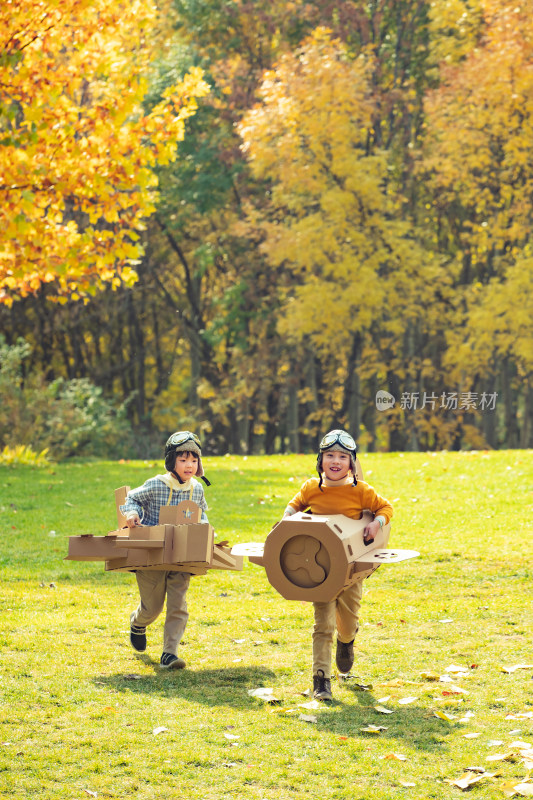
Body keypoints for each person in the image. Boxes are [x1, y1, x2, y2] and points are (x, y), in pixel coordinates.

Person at [283, 429, 393, 701]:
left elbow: (386, 509)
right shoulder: (311, 488)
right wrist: (285, 523)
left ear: (352, 463)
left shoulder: (361, 491)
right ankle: (321, 680)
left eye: (342, 456)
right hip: (320, 570)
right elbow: (293, 506)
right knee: (323, 625)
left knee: (347, 622)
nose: (336, 461)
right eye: (329, 455)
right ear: (320, 461)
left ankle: (347, 642)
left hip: (352, 569)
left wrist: (375, 523)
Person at [120, 430, 211, 670]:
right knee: (153, 607)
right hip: (153, 556)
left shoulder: (197, 489)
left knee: (178, 604)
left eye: (194, 460)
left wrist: (205, 530)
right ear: (172, 461)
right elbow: (130, 500)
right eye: (183, 460)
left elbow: (202, 515)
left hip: (183, 557)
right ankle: (138, 623)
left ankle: (169, 653)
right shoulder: (156, 485)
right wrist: (132, 514)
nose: (189, 465)